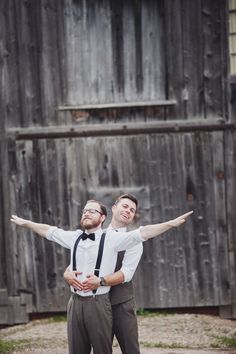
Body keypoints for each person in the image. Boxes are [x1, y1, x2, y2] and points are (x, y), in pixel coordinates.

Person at [10, 199, 192, 354]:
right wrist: (26, 223)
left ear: (102, 217)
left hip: (111, 301)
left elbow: (140, 240)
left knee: (118, 349)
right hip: (75, 301)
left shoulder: (119, 240)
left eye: (132, 209)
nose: (87, 213)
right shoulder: (77, 237)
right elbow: (50, 232)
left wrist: (170, 224)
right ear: (114, 209)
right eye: (85, 211)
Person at [64, 193, 143, 354]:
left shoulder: (133, 241)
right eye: (125, 206)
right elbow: (78, 261)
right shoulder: (94, 233)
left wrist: (100, 281)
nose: (128, 211)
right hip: (94, 304)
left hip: (121, 304)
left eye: (132, 210)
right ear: (114, 209)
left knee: (131, 349)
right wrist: (66, 274)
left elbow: (125, 273)